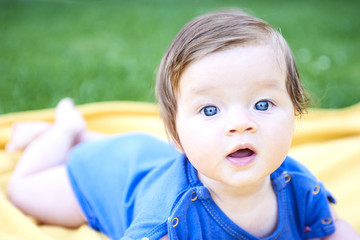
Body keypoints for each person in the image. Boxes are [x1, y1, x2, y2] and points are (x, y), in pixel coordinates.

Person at [6, 8, 360, 240]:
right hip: (105, 177)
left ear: (296, 111)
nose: (240, 124)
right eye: (210, 110)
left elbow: (333, 232)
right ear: (176, 134)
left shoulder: (299, 186)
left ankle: (82, 135)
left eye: (263, 104)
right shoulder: (169, 221)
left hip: (148, 157)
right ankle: (64, 131)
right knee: (21, 190)